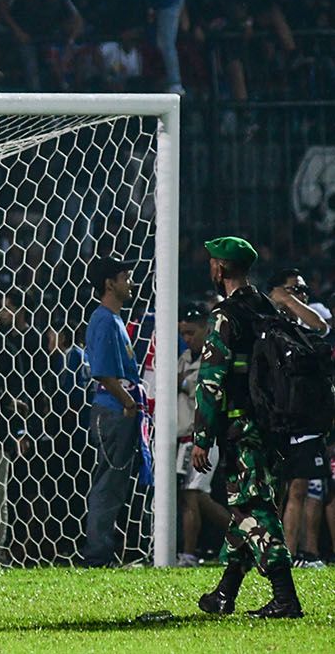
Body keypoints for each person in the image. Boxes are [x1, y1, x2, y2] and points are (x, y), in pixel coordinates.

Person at [193, 237, 302, 618]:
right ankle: (224, 594)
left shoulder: (225, 315)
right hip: (271, 426)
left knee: (254, 509)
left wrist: (201, 437)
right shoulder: (265, 308)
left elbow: (211, 381)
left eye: (212, 262)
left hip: (241, 430)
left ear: (221, 268)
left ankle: (286, 598)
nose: (210, 267)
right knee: (246, 510)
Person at [80, 255, 146, 568]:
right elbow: (103, 372)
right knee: (108, 485)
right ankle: (97, 555)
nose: (130, 283)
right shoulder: (104, 319)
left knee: (114, 484)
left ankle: (105, 551)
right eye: (125, 277)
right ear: (110, 284)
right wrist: (129, 402)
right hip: (114, 410)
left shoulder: (113, 319)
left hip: (117, 409)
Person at [265, 269, 330, 569]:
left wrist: (290, 301)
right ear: (276, 292)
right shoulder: (267, 322)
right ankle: (283, 554)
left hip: (302, 420)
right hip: (275, 421)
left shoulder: (302, 321)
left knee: (302, 487)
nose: (302, 295)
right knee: (283, 489)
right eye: (295, 290)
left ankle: (293, 555)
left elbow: (322, 326)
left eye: (303, 290)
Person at [174, 304, 229, 567]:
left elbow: (208, 392)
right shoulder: (184, 357)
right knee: (197, 496)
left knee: (192, 495)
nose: (187, 338)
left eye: (191, 332)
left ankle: (188, 553)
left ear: (206, 329)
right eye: (183, 333)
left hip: (205, 438)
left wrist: (183, 383)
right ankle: (245, 535)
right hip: (186, 438)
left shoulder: (212, 357)